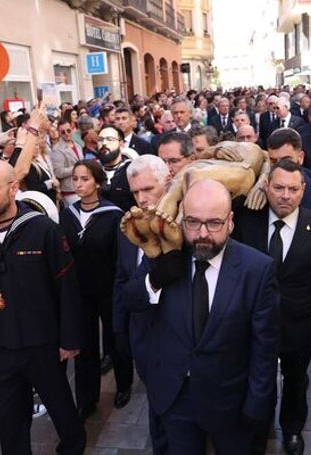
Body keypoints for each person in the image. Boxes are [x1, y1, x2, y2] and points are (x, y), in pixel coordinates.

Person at [120, 179, 280, 453]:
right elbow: (131, 299)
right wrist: (155, 279)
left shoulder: (257, 269)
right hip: (174, 396)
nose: (202, 233)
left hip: (230, 399)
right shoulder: (166, 254)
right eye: (192, 222)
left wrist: (258, 403)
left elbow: (264, 347)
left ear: (230, 221)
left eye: (214, 223)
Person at [0, 160, 86, 454]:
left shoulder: (43, 230)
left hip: (43, 341)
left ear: (13, 188)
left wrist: (69, 340)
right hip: (1, 345)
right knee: (8, 419)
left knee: (61, 408)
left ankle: (73, 447)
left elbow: (67, 287)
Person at [233, 159, 311, 455]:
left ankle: (292, 428)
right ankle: (258, 426)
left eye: (293, 189)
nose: (285, 195)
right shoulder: (246, 220)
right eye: (278, 187)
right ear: (266, 187)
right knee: (257, 379)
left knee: (295, 380)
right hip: (253, 325)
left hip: (297, 325)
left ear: (303, 190)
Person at [59, 160, 129, 420]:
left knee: (116, 340)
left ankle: (123, 386)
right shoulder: (68, 215)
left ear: (97, 182)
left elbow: (120, 256)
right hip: (80, 291)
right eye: (75, 178)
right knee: (84, 345)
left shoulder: (113, 214)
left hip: (109, 289)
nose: (78, 184)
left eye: (85, 179)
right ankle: (87, 398)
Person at [113, 155, 171, 454]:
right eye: (135, 192)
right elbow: (121, 281)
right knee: (156, 405)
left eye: (149, 189)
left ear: (168, 183)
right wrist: (119, 331)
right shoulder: (127, 228)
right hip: (143, 338)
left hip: (181, 339)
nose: (142, 198)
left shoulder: (186, 228)